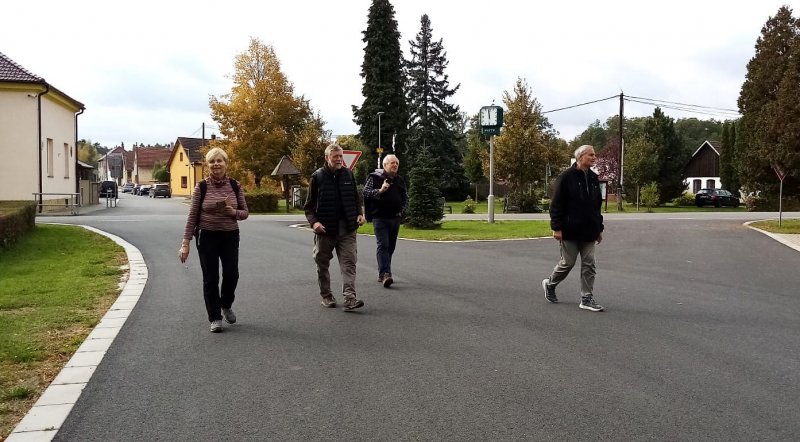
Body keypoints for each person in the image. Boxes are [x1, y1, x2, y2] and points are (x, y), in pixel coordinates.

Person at [180, 147, 249, 332]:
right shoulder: (201, 187)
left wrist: (233, 212)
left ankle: (226, 304)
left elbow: (245, 213)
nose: (216, 164)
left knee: (232, 274)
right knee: (210, 278)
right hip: (207, 236)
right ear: (207, 166)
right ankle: (215, 317)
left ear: (226, 163)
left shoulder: (235, 185)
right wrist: (185, 243)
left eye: (219, 161)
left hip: (230, 236)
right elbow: (192, 216)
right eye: (212, 161)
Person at [542, 145, 605, 312]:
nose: (594, 157)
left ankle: (586, 298)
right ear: (580, 157)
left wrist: (599, 229)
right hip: (570, 229)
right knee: (568, 263)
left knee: (589, 264)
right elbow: (556, 204)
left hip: (589, 230)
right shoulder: (566, 177)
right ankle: (550, 283)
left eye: (594, 154)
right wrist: (557, 227)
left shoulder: (593, 178)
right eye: (590, 155)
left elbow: (596, 206)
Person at [304, 144, 366, 311]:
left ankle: (350, 299)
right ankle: (326, 295)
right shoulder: (317, 177)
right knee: (322, 264)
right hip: (325, 230)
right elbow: (308, 206)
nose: (339, 159)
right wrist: (314, 223)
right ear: (327, 158)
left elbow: (355, 198)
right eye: (335, 157)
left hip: (348, 229)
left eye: (341, 156)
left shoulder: (348, 174)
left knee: (349, 263)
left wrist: (360, 214)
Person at [363, 154, 407, 287]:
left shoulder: (399, 180)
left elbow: (405, 197)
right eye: (392, 163)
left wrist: (401, 210)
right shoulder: (374, 177)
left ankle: (383, 272)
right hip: (380, 218)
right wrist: (381, 190)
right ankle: (386, 274)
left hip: (395, 218)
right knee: (383, 245)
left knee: (391, 246)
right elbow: (365, 192)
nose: (395, 165)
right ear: (385, 165)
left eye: (397, 164)